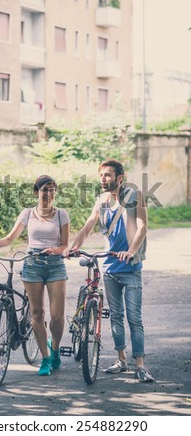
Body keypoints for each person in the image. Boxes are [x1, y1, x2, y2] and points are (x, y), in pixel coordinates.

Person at [0, 175, 70, 376]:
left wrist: (55, 250)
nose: (49, 194)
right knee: (37, 313)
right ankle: (45, 358)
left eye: (52, 190)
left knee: (57, 316)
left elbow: (64, 245)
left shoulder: (62, 214)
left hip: (54, 266)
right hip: (32, 264)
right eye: (45, 189)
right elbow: (9, 238)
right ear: (36, 192)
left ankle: (56, 348)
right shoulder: (27, 214)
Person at [66, 159, 154, 383]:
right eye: (101, 175)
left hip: (131, 267)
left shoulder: (135, 196)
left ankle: (140, 365)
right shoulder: (101, 201)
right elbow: (88, 225)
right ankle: (121, 359)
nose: (103, 179)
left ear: (120, 178)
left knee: (134, 318)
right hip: (110, 268)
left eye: (108, 175)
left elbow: (143, 226)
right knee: (116, 316)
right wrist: (74, 246)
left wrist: (131, 250)